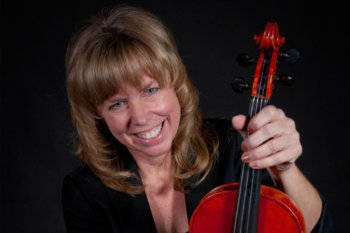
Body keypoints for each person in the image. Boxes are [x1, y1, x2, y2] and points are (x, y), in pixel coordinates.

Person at [62, 5, 333, 233]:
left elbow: (318, 229)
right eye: (117, 103)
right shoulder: (87, 193)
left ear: (176, 84)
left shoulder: (230, 146)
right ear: (97, 112)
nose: (141, 117)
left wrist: (285, 169)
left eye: (150, 90)